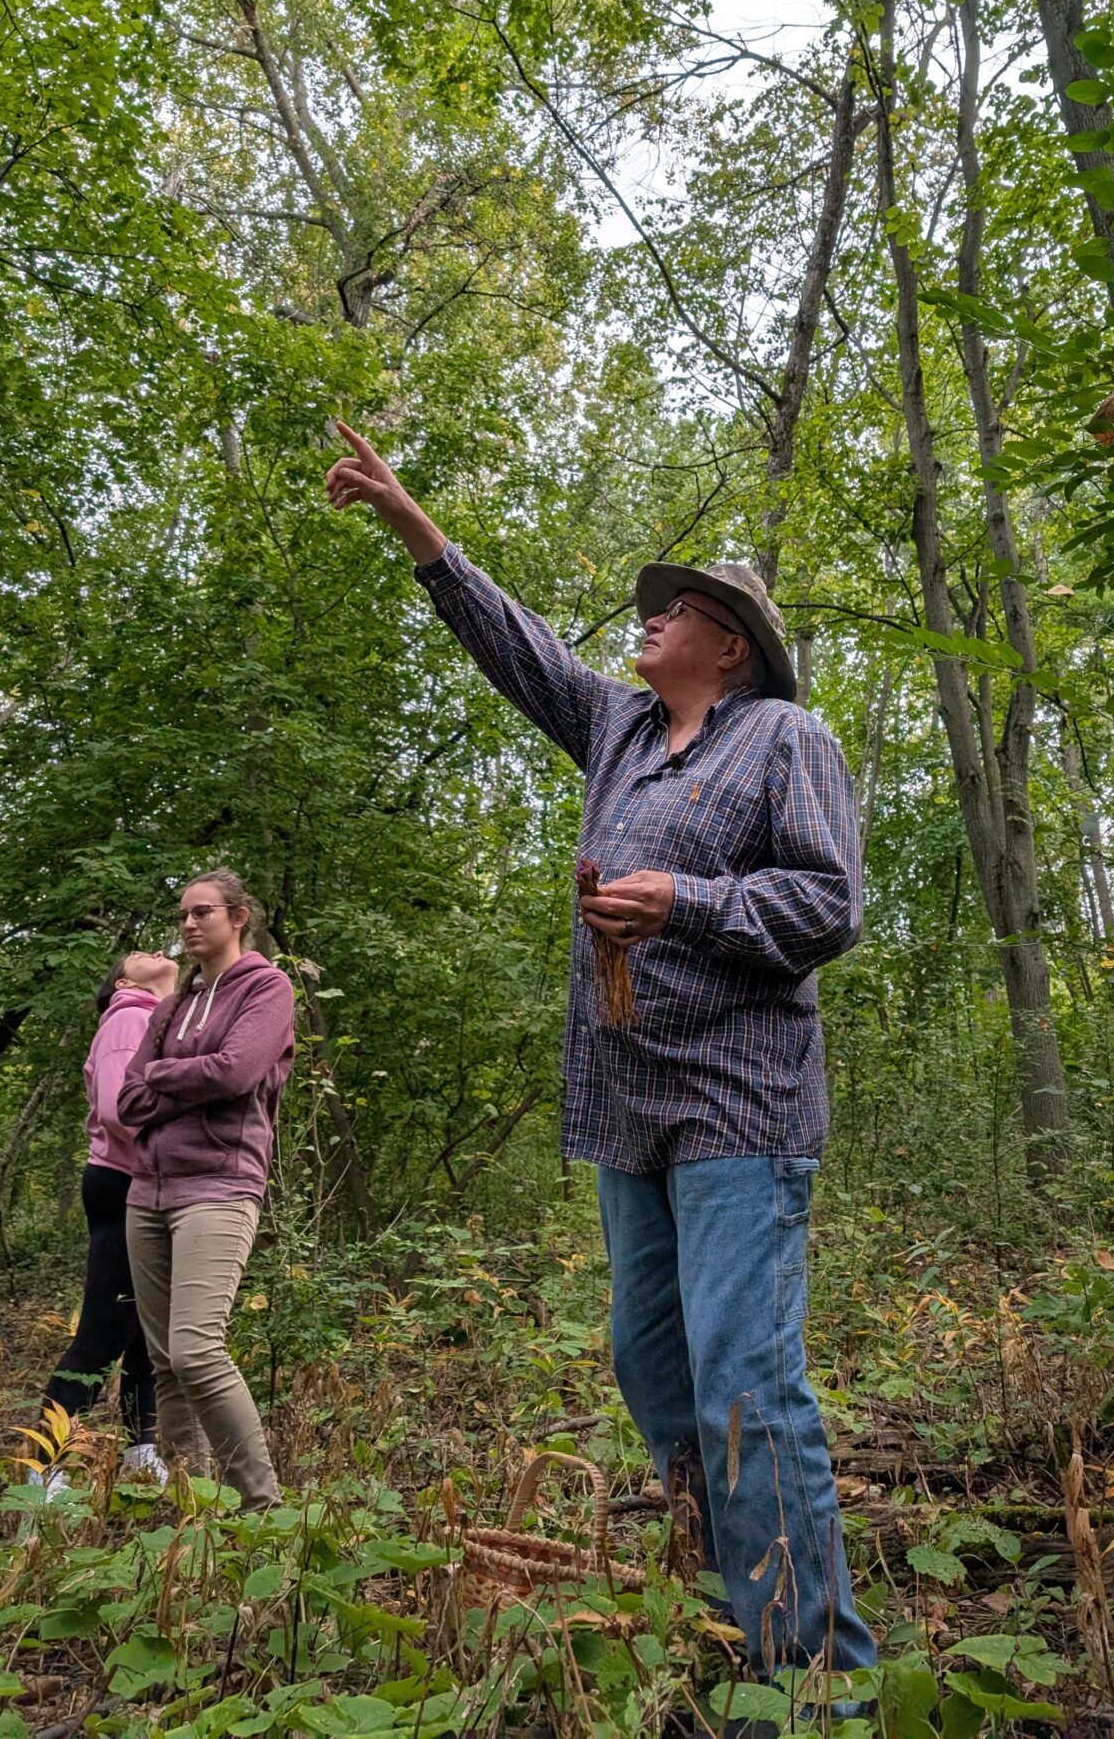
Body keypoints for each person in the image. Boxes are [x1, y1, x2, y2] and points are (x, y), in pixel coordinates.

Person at [327, 421, 877, 1682]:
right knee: (650, 1363)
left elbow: (824, 906)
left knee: (745, 1378)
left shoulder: (787, 739)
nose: (645, 624)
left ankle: (815, 1673)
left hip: (742, 1105)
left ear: (726, 643)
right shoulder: (622, 732)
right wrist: (414, 525)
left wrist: (678, 902)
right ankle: (720, 1581)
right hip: (628, 1107)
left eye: (670, 612)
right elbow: (517, 648)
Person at [116, 871, 293, 1511]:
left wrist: (163, 1074)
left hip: (219, 1185)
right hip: (147, 1191)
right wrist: (185, 1079)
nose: (189, 924)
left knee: (196, 1349)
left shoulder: (267, 988)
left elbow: (239, 1070)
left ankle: (261, 1505)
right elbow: (128, 1099)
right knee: (164, 1361)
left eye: (203, 912)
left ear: (238, 917)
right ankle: (187, 1504)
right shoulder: (168, 1006)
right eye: (183, 914)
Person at [32, 951, 180, 1498]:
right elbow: (121, 1110)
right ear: (123, 980)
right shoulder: (130, 1015)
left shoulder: (165, 1017)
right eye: (139, 954)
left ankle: (141, 1451)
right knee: (102, 1331)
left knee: (146, 1328)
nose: (158, 952)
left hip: (150, 1184)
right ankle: (45, 1464)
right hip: (122, 1182)